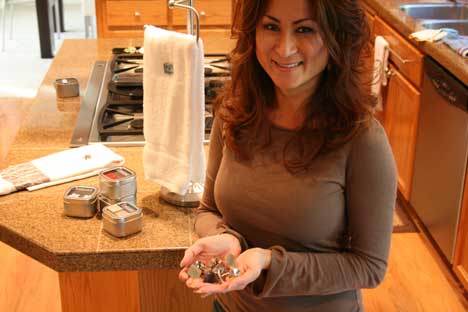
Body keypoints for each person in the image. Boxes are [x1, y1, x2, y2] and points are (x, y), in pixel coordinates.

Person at [179, 0, 397, 311]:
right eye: (270, 27)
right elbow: (208, 210)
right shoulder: (234, 113)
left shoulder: (362, 140)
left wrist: (269, 261)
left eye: (305, 29)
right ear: (252, 33)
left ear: (336, 38)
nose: (284, 48)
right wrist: (227, 239)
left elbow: (369, 266)